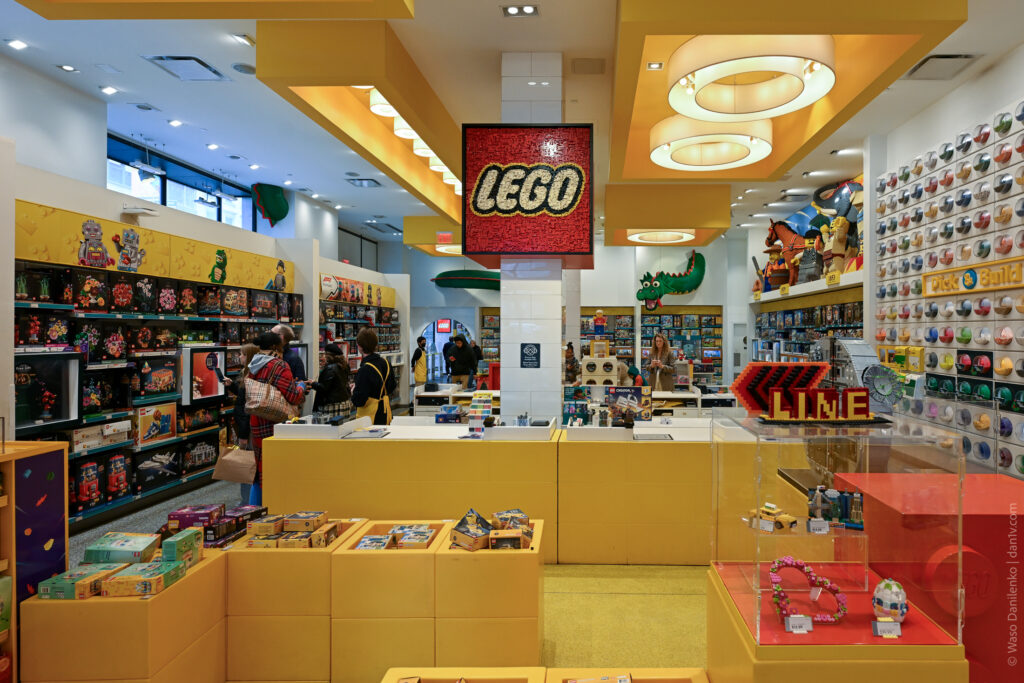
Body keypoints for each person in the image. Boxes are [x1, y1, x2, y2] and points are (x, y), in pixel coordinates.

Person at [248, 332, 305, 503]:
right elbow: (293, 396)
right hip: (275, 421)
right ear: (275, 347)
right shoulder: (279, 365)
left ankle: (255, 508)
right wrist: (301, 386)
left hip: (257, 420)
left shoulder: (253, 364)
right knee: (276, 468)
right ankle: (275, 505)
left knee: (260, 469)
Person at [229, 343, 258, 504]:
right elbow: (242, 397)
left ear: (249, 356)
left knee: (247, 466)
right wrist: (232, 386)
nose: (239, 356)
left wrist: (243, 435)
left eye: (242, 354)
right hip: (246, 427)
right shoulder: (245, 373)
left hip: (248, 429)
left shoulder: (251, 376)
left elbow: (247, 408)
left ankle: (247, 502)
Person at [353, 328, 397, 425]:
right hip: (386, 413)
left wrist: (354, 391)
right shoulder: (386, 363)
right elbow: (392, 386)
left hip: (369, 419)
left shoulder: (365, 369)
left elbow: (359, 400)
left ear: (359, 346)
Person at [312, 343, 352, 419]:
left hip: (332, 406)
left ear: (328, 355)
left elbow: (324, 388)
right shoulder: (344, 366)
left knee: (329, 426)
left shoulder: (330, 368)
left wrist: (313, 384)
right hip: (344, 403)